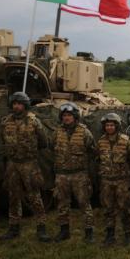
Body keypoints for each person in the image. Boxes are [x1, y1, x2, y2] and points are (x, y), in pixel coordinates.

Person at [0, 92, 51, 242]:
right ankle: (14, 228)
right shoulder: (5, 122)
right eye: (14, 103)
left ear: (25, 105)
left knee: (34, 197)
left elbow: (43, 142)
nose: (16, 106)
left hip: (29, 164)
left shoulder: (34, 122)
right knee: (13, 197)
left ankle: (41, 228)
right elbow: (3, 140)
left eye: (19, 103)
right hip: (13, 164)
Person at [52, 102, 97, 243]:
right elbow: (51, 146)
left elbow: (92, 151)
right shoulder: (57, 132)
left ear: (75, 117)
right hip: (62, 174)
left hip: (79, 174)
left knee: (84, 204)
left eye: (69, 115)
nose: (66, 118)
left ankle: (89, 233)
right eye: (64, 115)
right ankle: (64, 231)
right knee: (62, 204)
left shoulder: (84, 132)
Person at [97, 112, 130, 246]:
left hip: (122, 181)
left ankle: (128, 235)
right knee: (108, 209)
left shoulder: (126, 141)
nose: (109, 127)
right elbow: (97, 159)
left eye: (112, 125)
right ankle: (110, 235)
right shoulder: (101, 142)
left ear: (117, 126)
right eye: (107, 125)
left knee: (124, 208)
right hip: (106, 181)